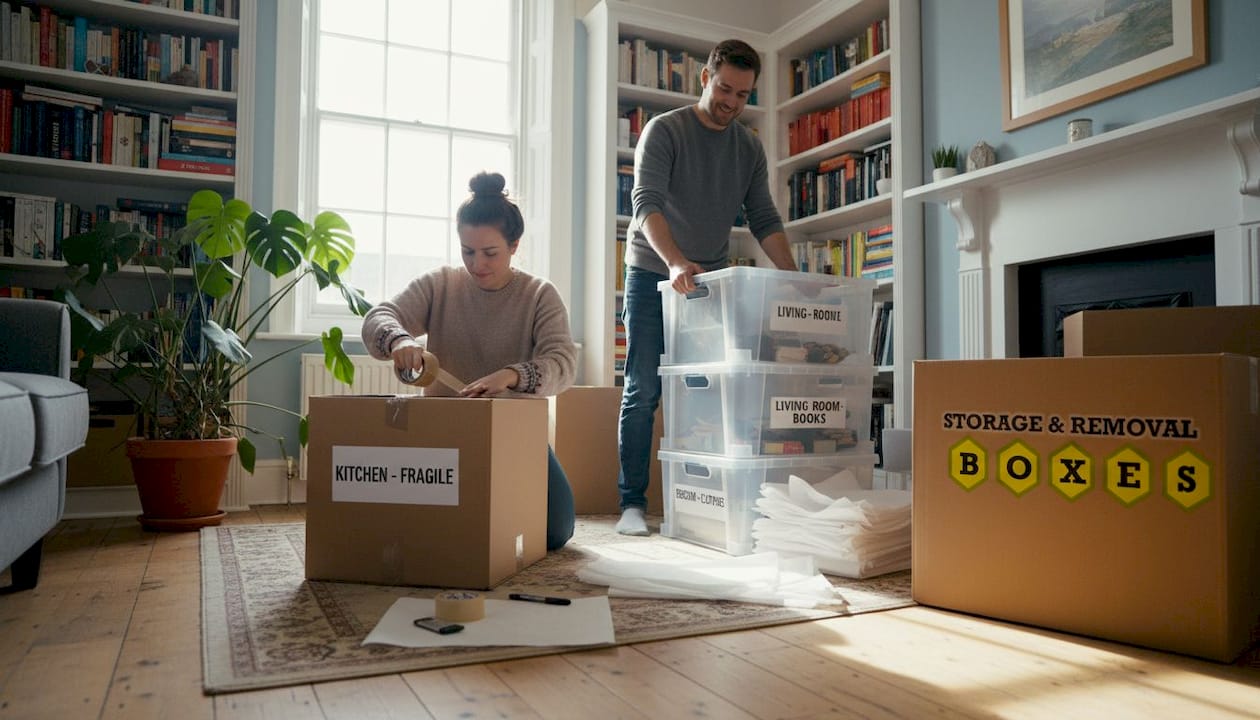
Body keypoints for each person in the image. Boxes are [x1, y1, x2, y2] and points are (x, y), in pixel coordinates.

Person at [616, 39, 798, 536]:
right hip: (652, 273)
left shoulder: (748, 148)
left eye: (742, 95)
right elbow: (645, 202)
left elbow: (763, 217)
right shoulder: (664, 130)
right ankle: (632, 504)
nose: (731, 102)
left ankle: (710, 496)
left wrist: (794, 275)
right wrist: (674, 261)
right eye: (724, 89)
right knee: (644, 388)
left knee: (714, 391)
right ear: (705, 78)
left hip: (710, 283)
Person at [361, 171, 577, 551]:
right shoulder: (440, 284)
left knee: (556, 531)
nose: (477, 264)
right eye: (467, 251)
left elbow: (563, 364)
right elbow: (378, 317)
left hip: (514, 432)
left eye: (490, 253)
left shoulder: (540, 294)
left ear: (514, 245)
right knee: (437, 526)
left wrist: (510, 376)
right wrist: (399, 340)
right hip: (445, 431)